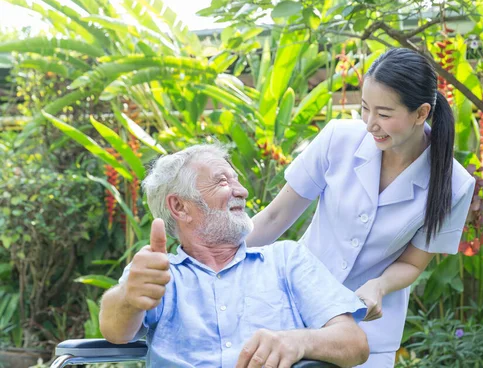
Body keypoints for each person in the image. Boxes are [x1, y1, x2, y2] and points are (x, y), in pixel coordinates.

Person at [247, 48, 476, 367]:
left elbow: (413, 263)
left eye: (384, 114)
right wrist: (211, 259)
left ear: (421, 113)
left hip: (369, 334)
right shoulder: (338, 139)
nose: (370, 124)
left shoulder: (454, 185)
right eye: (365, 109)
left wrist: (379, 286)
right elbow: (274, 217)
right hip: (293, 313)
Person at [99, 145, 369, 368]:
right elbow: (114, 330)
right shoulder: (156, 273)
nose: (242, 191)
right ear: (180, 207)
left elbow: (354, 343)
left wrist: (299, 342)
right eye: (223, 181)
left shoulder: (287, 260)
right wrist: (128, 300)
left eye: (236, 180)